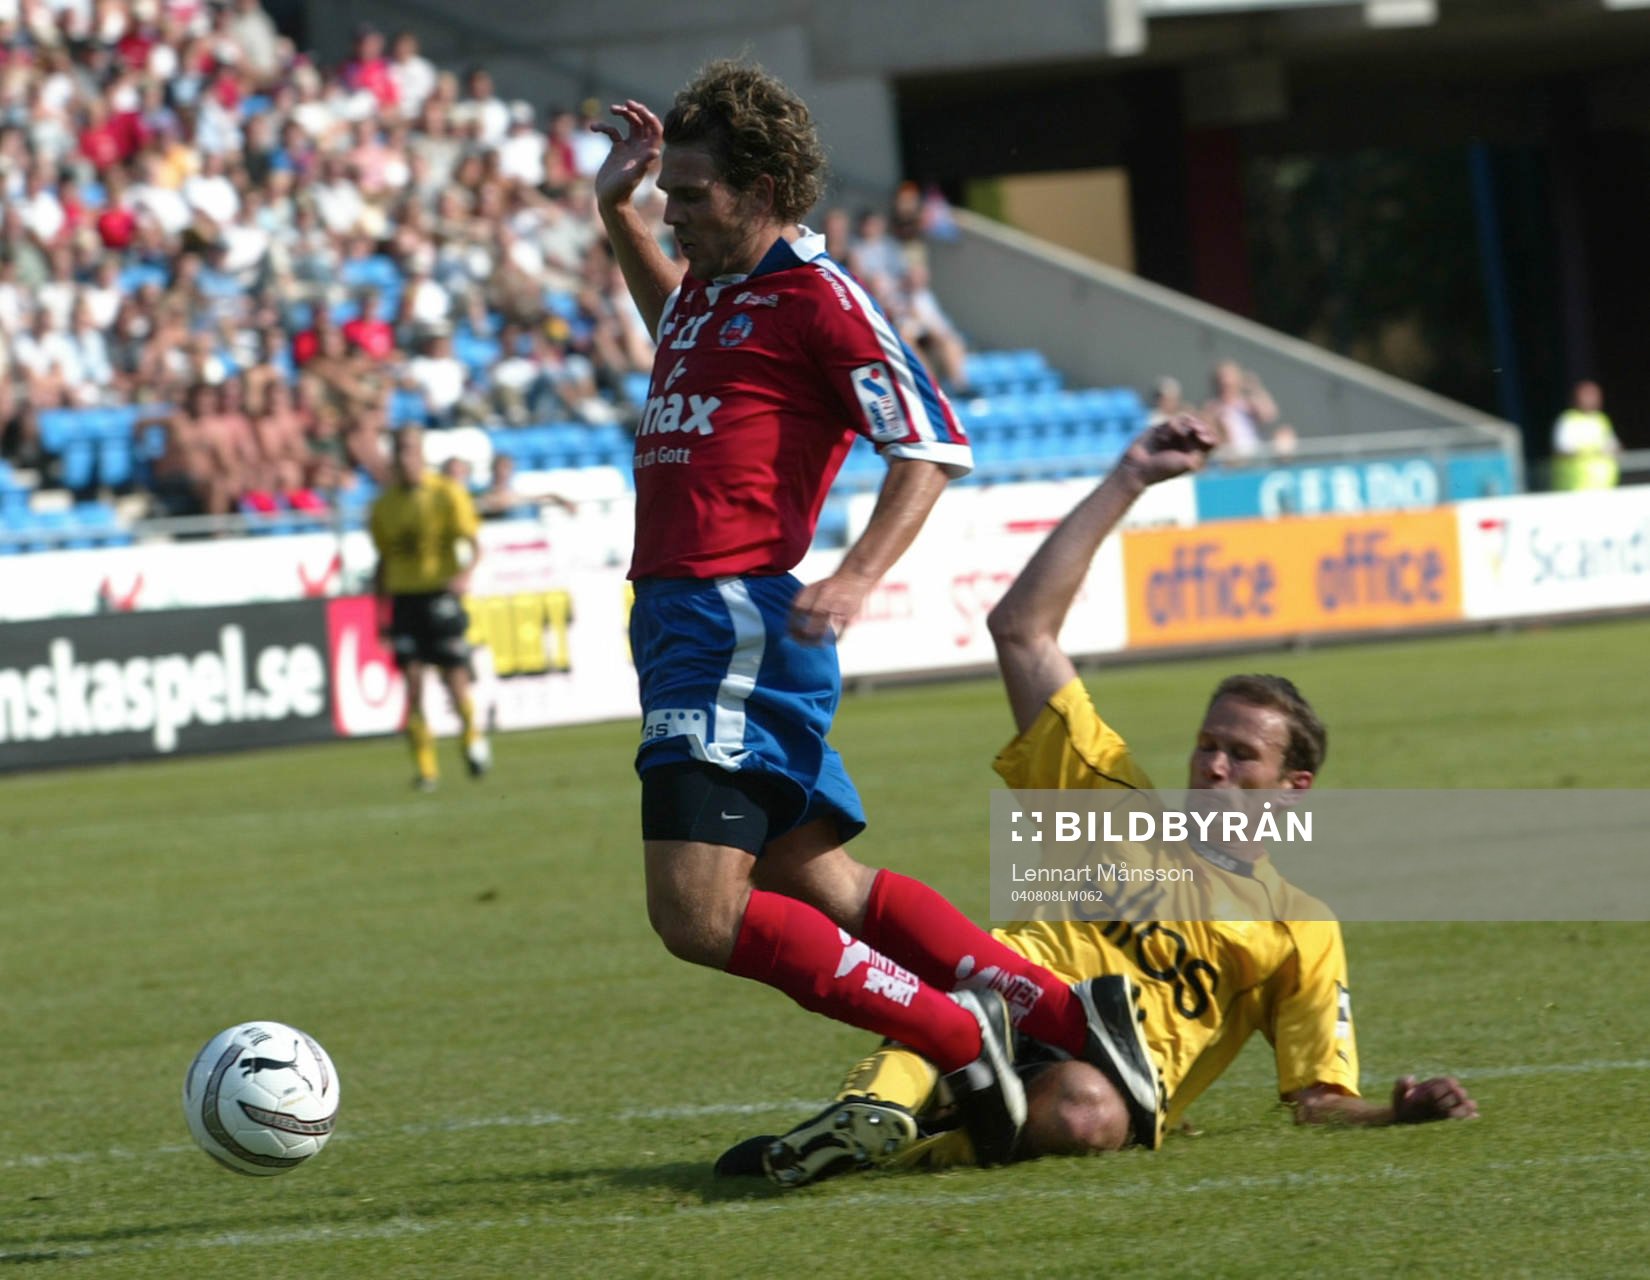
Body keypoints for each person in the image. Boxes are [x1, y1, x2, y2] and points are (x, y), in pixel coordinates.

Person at [592, 61, 1150, 1152]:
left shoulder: (818, 296)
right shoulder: (716, 285)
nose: (675, 208)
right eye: (668, 193)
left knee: (696, 912)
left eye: (690, 193)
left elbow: (931, 442)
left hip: (732, 620)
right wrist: (618, 209)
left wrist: (853, 574)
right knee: (827, 884)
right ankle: (1063, 1010)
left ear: (758, 189)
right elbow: (683, 334)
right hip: (686, 625)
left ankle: (955, 1032)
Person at [721, 417, 1478, 1187]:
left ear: (1294, 789)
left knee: (1091, 1116)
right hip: (1004, 1003)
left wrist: (1395, 1113)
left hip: (1112, 1077)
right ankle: (866, 1117)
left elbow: (1316, 1097)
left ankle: (880, 1151)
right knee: (962, 1010)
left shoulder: (1300, 927)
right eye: (1207, 744)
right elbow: (1021, 631)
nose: (1214, 765)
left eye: (1242, 755)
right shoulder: (1109, 803)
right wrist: (1130, 478)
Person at [368, 426, 492, 792]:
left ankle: (471, 735)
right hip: (405, 599)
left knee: (454, 678)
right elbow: (383, 561)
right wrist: (380, 613)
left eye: (410, 449)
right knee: (412, 683)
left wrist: (464, 575)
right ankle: (427, 770)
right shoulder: (385, 505)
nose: (405, 457)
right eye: (399, 450)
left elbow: (474, 542)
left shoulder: (446, 493)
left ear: (421, 453)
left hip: (440, 594)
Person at [1551, 379, 1621, 491]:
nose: (1592, 399)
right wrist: (1590, 452)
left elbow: (1615, 447)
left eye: (1595, 395)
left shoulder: (1602, 420)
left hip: (1604, 487)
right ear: (1576, 397)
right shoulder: (1568, 420)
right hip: (1574, 489)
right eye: (1587, 395)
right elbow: (1561, 450)